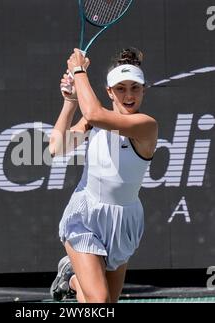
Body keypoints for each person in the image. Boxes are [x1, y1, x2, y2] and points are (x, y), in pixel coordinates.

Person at [49, 48, 158, 303]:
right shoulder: (92, 122)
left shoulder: (146, 125)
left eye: (135, 88)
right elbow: (56, 148)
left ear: (144, 90)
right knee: (99, 301)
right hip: (85, 215)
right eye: (120, 88)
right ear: (109, 92)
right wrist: (69, 103)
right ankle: (77, 278)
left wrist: (78, 70)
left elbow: (96, 113)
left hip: (123, 220)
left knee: (106, 303)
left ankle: (73, 279)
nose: (129, 95)